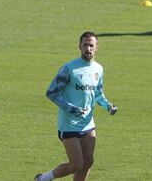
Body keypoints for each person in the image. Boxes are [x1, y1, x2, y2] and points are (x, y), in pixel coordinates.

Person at [35, 31, 118, 181]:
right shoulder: (69, 69)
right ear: (79, 46)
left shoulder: (98, 69)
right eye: (85, 45)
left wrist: (108, 106)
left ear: (97, 47)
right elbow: (52, 92)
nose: (88, 49)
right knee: (76, 164)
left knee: (88, 162)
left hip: (88, 123)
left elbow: (98, 93)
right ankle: (42, 179)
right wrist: (72, 109)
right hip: (69, 124)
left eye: (91, 45)